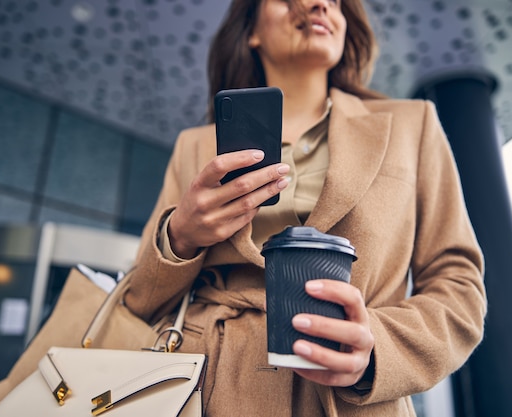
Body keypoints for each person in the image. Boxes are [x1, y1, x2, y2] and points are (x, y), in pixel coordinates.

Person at [123, 0, 487, 416]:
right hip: (205, 390)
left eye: (334, 1)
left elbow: (458, 283)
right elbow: (139, 299)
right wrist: (181, 236)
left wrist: (378, 347)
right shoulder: (195, 145)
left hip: (351, 399)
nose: (319, 4)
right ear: (251, 30)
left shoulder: (412, 125)